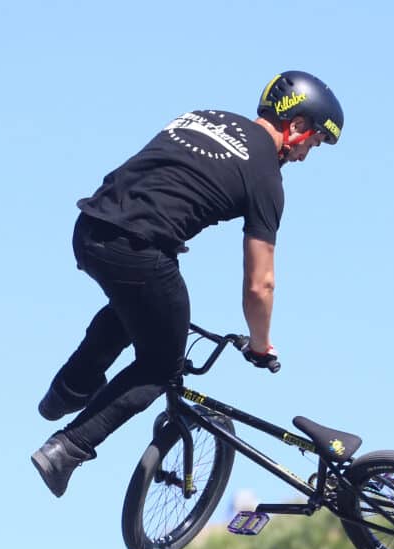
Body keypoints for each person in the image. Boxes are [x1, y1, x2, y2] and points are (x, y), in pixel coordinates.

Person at [31, 70, 344, 498]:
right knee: (160, 363)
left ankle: (69, 389)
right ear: (297, 126)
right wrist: (260, 343)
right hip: (138, 249)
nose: (307, 155)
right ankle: (68, 448)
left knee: (134, 310)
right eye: (313, 142)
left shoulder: (202, 116)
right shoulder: (267, 175)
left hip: (89, 230)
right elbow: (260, 284)